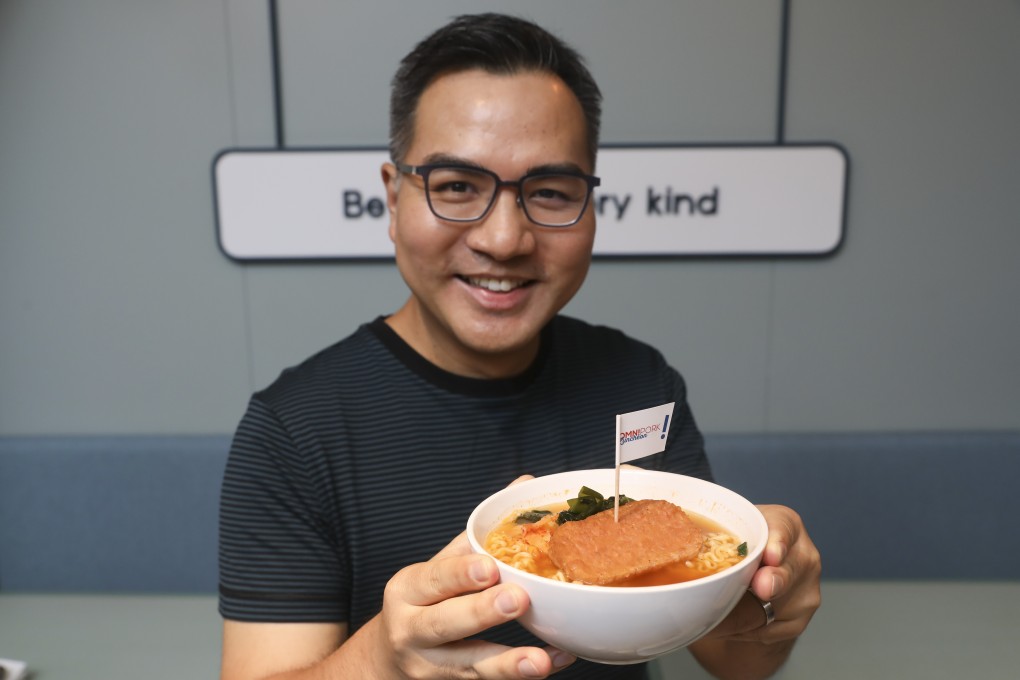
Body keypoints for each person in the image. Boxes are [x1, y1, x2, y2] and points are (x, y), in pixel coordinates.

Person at [218, 12, 821, 680]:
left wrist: (769, 600)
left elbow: (733, 658)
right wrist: (379, 660)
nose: (503, 239)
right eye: (456, 187)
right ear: (393, 201)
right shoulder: (293, 432)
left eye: (550, 192)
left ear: (591, 210)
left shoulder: (639, 381)